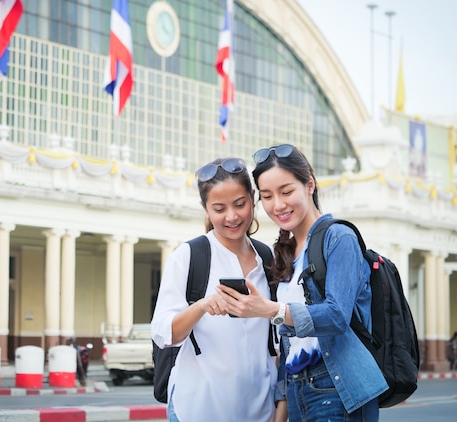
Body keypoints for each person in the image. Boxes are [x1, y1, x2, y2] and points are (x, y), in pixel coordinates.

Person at [216, 144, 388, 422]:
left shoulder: (339, 237)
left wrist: (272, 310)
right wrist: (282, 403)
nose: (278, 205)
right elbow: (290, 341)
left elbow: (336, 316)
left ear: (309, 185)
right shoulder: (285, 250)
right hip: (298, 388)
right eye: (268, 196)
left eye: (286, 191)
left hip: (337, 385)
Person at [151, 157, 277, 422]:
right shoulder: (190, 255)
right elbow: (163, 333)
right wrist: (201, 306)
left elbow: (275, 340)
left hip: (261, 410)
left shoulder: (266, 258)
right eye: (219, 208)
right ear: (205, 208)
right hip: (199, 408)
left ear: (252, 199)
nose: (231, 216)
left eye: (240, 205)